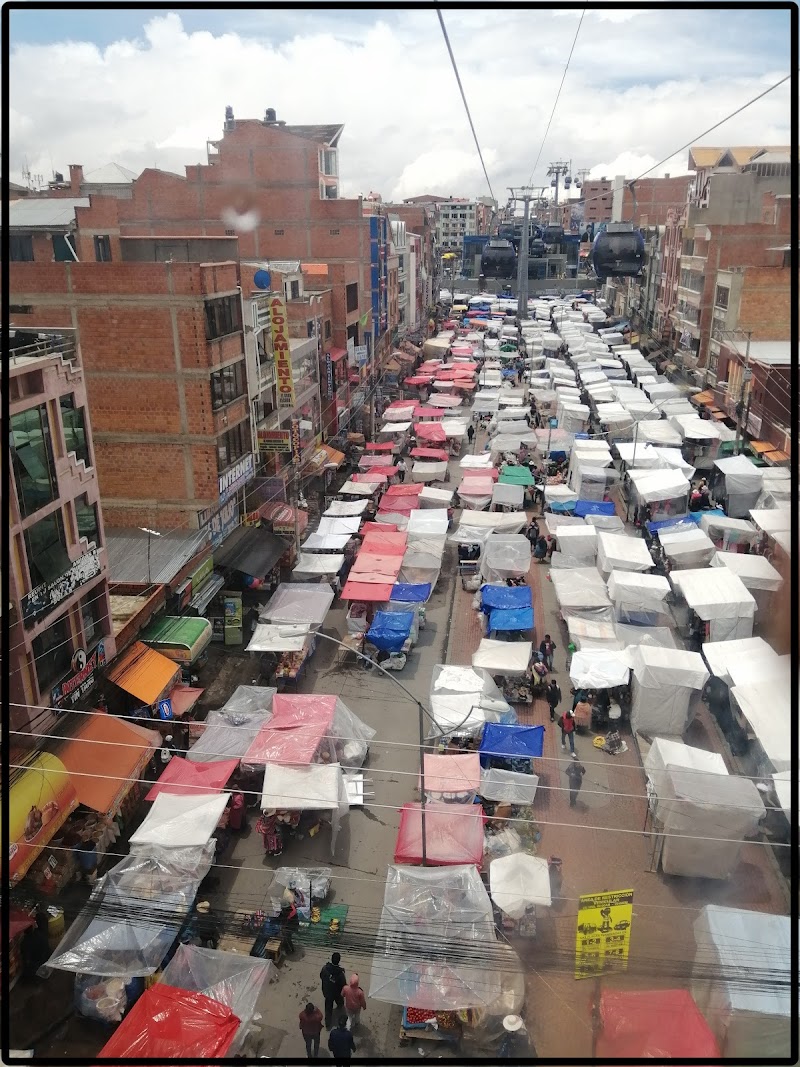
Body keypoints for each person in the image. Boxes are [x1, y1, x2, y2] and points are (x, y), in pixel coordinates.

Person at [320, 952, 347, 1028]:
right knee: (340, 1001)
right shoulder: (340, 974)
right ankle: (340, 1006)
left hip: (327, 992)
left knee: (328, 1008)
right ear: (339, 961)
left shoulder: (325, 968)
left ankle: (328, 1024)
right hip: (337, 993)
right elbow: (343, 985)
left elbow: (321, 976)